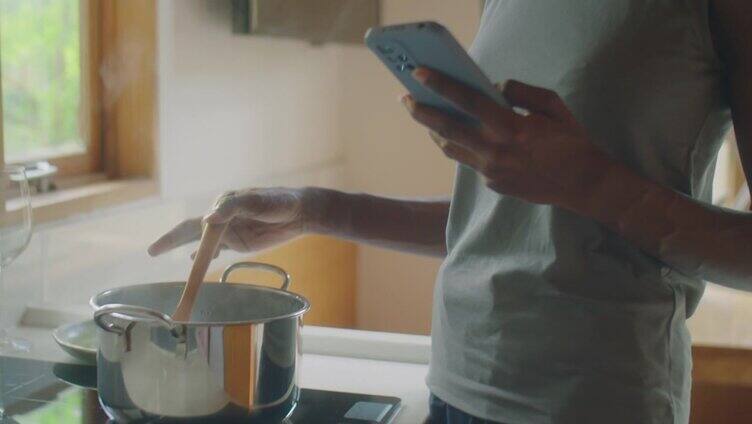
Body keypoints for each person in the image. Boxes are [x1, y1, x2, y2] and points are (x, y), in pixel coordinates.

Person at [149, 0, 752, 423]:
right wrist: (312, 210)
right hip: (454, 387)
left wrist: (589, 182)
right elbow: (499, 221)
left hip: (592, 403)